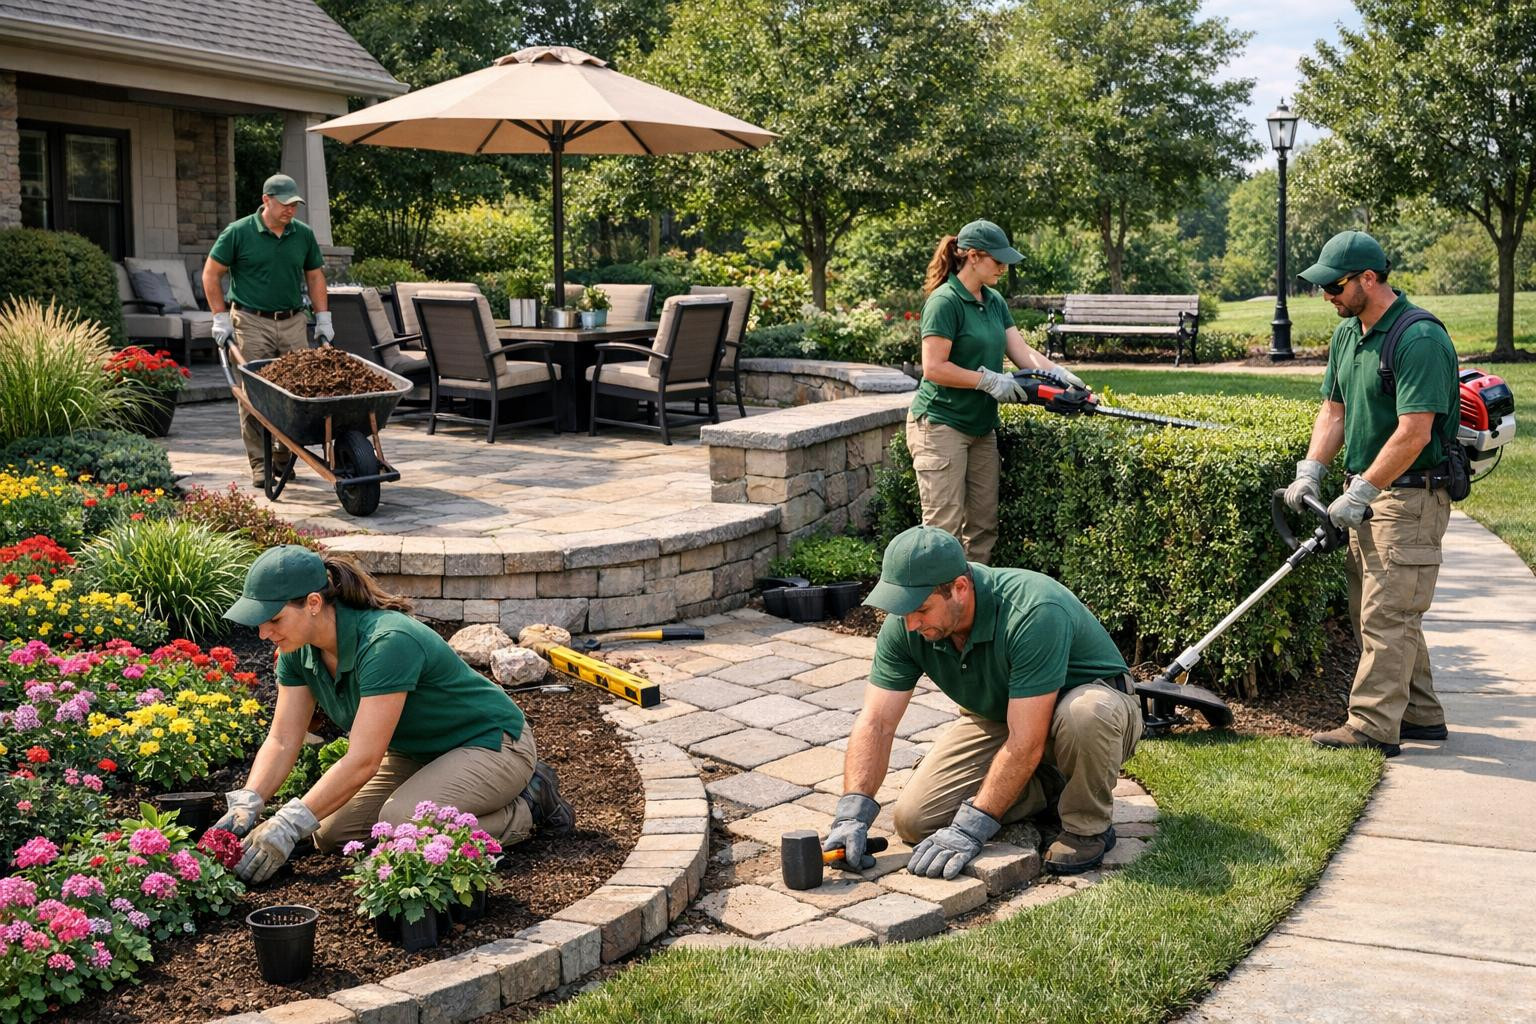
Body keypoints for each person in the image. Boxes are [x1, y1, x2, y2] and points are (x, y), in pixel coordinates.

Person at [216, 545, 574, 884]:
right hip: (418, 752)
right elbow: (282, 739)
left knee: (403, 824)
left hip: (491, 743)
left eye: (274, 619)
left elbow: (363, 761)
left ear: (313, 603)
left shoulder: (385, 642)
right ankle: (454, 798)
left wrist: (287, 824)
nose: (263, 633)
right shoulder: (298, 651)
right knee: (329, 832)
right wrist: (250, 801)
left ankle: (529, 805)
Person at [824, 525, 1142, 878]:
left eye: (921, 609)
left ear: (960, 588)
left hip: (1094, 711)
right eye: (903, 610)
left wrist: (971, 828)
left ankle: (1087, 827)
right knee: (916, 820)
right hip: (1004, 716)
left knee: (1085, 714)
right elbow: (877, 722)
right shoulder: (906, 625)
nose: (911, 623)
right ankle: (1052, 786)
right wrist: (851, 814)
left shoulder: (1033, 610)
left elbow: (1026, 741)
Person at [1285, 230, 1459, 758]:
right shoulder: (1348, 334)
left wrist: (1363, 488)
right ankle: (1420, 714)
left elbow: (1415, 432)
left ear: (1368, 278)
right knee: (1382, 610)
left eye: (1334, 286)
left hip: (1409, 499)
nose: (1326, 297)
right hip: (1368, 495)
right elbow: (1333, 411)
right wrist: (1311, 471)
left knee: (1387, 616)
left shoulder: (1418, 338)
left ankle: (1372, 725)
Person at [912, 220, 1084, 564]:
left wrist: (1062, 377)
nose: (1004, 268)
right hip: (941, 425)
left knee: (983, 527)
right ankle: (938, 598)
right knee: (943, 532)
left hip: (981, 427)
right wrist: (988, 381)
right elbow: (934, 368)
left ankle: (971, 594)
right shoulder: (945, 302)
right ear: (973, 257)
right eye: (998, 260)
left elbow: (1022, 352)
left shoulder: (993, 300)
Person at [202, 174, 334, 488]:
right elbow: (211, 273)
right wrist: (220, 317)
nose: (290, 210)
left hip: (292, 321)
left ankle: (283, 456)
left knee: (298, 391)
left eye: (294, 205)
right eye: (285, 204)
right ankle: (261, 464)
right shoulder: (238, 232)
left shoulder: (302, 235)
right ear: (266, 200)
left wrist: (323, 318)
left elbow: (315, 277)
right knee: (255, 394)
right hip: (251, 321)